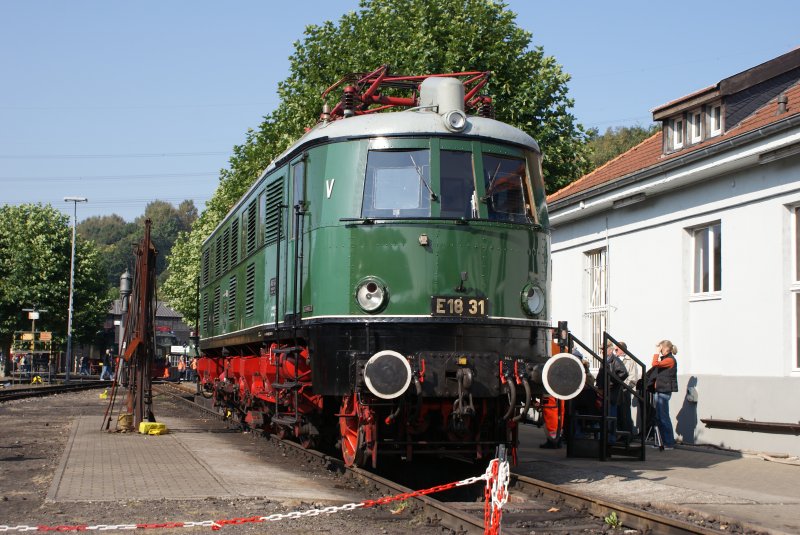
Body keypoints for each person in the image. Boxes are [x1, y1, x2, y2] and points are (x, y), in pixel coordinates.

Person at [647, 340, 679, 449]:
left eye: (661, 348)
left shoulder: (670, 360)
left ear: (665, 349)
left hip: (664, 392)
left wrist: (656, 352)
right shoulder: (666, 359)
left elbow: (654, 363)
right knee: (659, 417)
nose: (660, 350)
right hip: (659, 391)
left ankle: (669, 443)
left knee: (664, 417)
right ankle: (661, 442)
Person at [595, 344, 628, 444]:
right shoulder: (606, 360)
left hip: (612, 394)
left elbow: (624, 373)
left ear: (610, 350)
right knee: (606, 416)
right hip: (605, 393)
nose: (602, 352)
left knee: (611, 416)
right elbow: (601, 375)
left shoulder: (615, 361)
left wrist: (611, 383)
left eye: (603, 350)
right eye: (601, 350)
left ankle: (611, 439)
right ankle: (607, 438)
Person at [615, 341, 641, 435]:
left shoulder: (630, 360)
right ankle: (618, 434)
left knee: (625, 412)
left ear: (622, 349)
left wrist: (626, 387)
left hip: (624, 390)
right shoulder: (614, 359)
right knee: (616, 413)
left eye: (617, 349)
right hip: (615, 390)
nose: (615, 350)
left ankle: (627, 435)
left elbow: (633, 377)